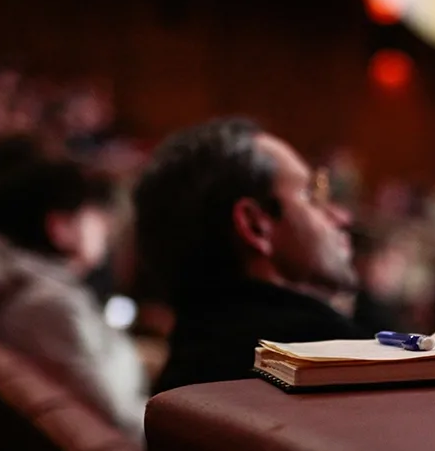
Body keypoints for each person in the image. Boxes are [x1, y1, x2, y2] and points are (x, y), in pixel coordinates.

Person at [134, 117, 367, 394]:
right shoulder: (335, 362)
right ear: (256, 226)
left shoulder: (184, 371)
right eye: (309, 195)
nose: (341, 216)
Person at [0, 160, 148, 445]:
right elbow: (120, 420)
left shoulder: (16, 283)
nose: (105, 226)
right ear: (60, 227)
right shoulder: (49, 307)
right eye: (93, 213)